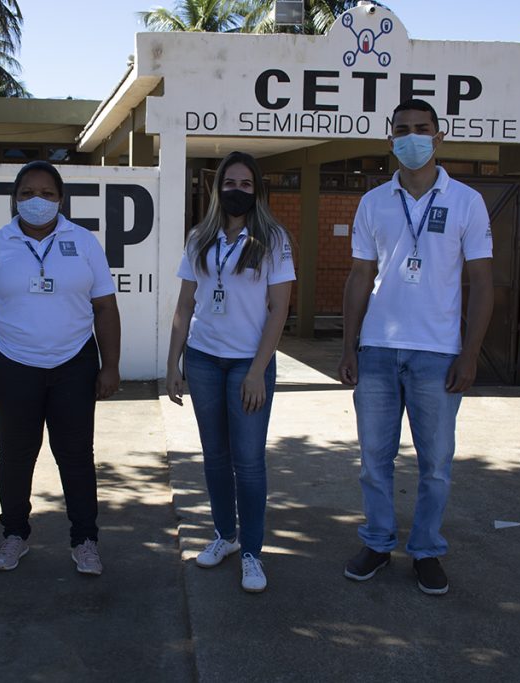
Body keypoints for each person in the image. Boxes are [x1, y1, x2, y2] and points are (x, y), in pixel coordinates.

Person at [338, 99, 494, 595]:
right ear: (390, 138)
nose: (412, 138)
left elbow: (483, 283)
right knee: (373, 460)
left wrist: (469, 354)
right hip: (378, 351)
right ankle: (379, 542)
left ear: (439, 135)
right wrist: (349, 347)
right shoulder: (373, 202)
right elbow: (360, 276)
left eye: (421, 129)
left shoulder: (466, 200)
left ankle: (426, 550)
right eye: (402, 130)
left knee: (436, 465)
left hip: (438, 354)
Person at [0, 160, 121, 576]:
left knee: (76, 456)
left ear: (61, 199)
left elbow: (105, 307)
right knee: (15, 455)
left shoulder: (83, 242)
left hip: (74, 363)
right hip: (14, 365)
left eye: (48, 193)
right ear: (15, 199)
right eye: (28, 193)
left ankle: (85, 540)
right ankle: (14, 534)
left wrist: (110, 366)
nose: (38, 201)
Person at [166, 151, 295, 593]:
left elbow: (279, 309)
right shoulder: (199, 237)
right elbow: (185, 304)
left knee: (249, 462)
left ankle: (253, 553)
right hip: (202, 359)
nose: (236, 191)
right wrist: (173, 363)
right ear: (216, 187)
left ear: (256, 189)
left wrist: (258, 371)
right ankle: (225, 535)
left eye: (245, 184)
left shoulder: (274, 239)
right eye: (229, 183)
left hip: (248, 364)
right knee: (215, 458)